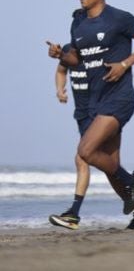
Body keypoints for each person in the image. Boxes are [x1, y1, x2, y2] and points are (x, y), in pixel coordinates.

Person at [46, 0, 134, 230]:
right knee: (109, 164)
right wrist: (60, 55)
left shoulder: (119, 18)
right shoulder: (78, 22)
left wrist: (125, 63)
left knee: (85, 151)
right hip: (94, 101)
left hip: (119, 97)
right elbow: (77, 60)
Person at [47, 42, 92, 229]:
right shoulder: (68, 49)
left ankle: (74, 213)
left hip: (99, 114)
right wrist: (60, 90)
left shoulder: (97, 49)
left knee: (81, 158)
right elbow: (61, 71)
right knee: (107, 164)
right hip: (81, 114)